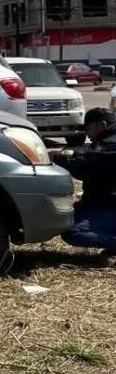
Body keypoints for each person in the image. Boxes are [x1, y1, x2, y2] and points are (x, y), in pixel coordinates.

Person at [55, 107, 116, 262]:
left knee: (74, 232)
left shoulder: (109, 146)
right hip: (104, 203)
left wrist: (60, 158)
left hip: (109, 205)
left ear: (101, 125)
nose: (87, 134)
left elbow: (87, 164)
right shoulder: (107, 143)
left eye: (89, 128)